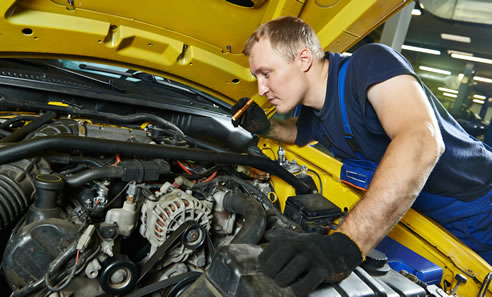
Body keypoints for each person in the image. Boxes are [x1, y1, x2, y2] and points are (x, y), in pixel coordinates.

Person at [230, 16, 492, 297]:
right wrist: (267, 128)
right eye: (257, 77)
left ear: (303, 59)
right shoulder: (313, 107)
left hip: (477, 209)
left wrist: (345, 244)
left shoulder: (368, 65)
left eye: (266, 73)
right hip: (415, 215)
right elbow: (297, 132)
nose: (261, 89)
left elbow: (422, 140)